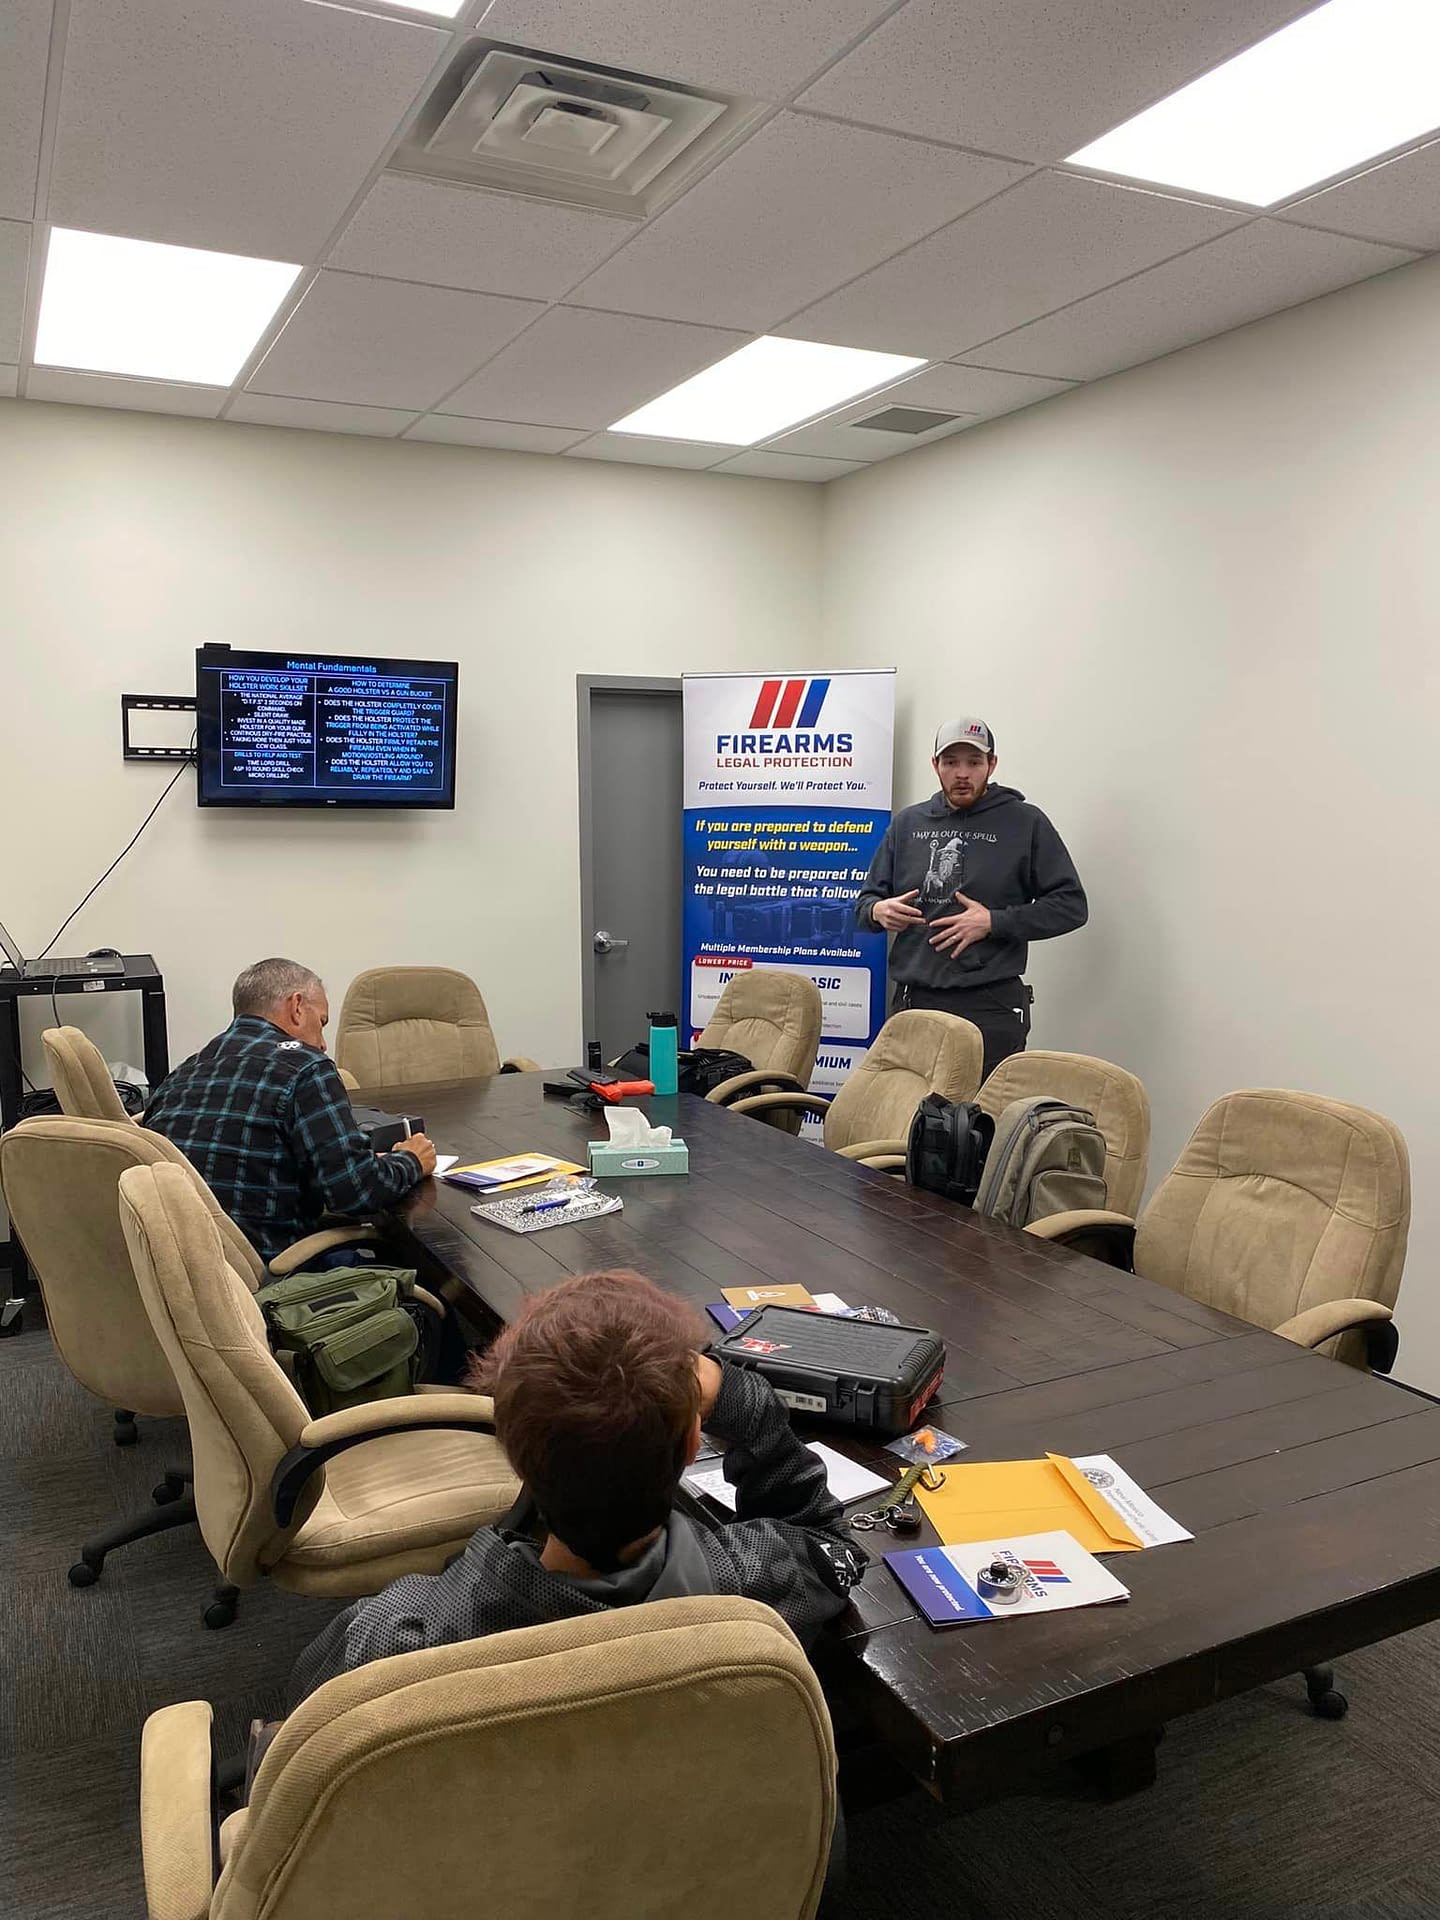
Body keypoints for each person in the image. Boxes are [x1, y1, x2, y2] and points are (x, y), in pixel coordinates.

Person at [288, 1268, 867, 1706]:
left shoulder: (392, 1641)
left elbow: (308, 1728)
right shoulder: (749, 1584)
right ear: (693, 1447)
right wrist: (744, 1401)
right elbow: (831, 1544)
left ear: (512, 1452)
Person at [144, 957, 438, 1264]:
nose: (323, 1044)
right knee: (419, 1278)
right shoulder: (307, 1068)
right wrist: (412, 1160)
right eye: (321, 1022)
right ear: (297, 1006)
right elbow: (354, 1192)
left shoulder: (182, 1073)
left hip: (187, 1269)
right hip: (272, 1277)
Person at [855, 716, 1087, 1079]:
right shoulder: (908, 824)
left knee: (974, 1130)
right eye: (951, 762)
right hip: (914, 1005)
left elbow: (1072, 906)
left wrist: (994, 922)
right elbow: (864, 905)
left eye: (974, 762)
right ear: (936, 766)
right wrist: (878, 911)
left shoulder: (1024, 823)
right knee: (906, 1125)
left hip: (988, 1009)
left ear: (991, 764)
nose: (962, 773)